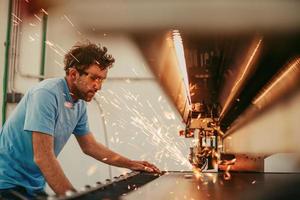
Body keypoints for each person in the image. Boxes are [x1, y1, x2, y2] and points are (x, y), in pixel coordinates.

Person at [0, 42, 160, 199]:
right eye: (94, 78)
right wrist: (72, 196)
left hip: (33, 186)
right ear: (73, 74)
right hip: (6, 184)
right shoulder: (46, 94)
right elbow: (43, 157)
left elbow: (90, 146)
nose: (98, 86)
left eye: (101, 80)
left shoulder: (78, 104)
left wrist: (131, 164)